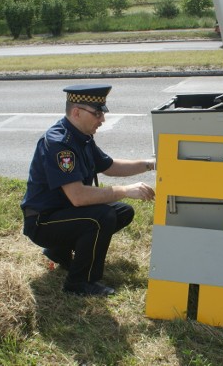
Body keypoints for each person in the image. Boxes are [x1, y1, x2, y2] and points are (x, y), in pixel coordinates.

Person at [21, 84, 156, 297]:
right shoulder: (60, 144)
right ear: (76, 112)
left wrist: (151, 165)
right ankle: (80, 282)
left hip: (62, 212)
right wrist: (125, 190)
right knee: (101, 217)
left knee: (122, 212)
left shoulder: (80, 136)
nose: (102, 119)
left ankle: (59, 251)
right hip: (43, 222)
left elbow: (109, 166)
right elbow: (79, 197)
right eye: (97, 113)